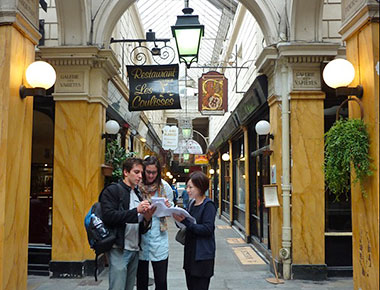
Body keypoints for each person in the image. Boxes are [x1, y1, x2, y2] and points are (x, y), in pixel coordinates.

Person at [100, 157, 156, 290]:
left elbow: (139, 225)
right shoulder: (113, 190)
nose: (140, 176)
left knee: (129, 287)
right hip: (119, 248)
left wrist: (147, 218)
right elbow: (108, 216)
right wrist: (136, 210)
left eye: (141, 173)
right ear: (126, 172)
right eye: (136, 172)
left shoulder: (137, 193)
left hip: (134, 249)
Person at [173, 171, 217, 290]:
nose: (187, 190)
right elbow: (187, 224)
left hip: (202, 256)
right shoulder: (192, 204)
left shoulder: (208, 205)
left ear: (200, 187)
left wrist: (186, 222)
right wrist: (178, 218)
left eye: (190, 187)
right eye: (187, 187)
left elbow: (207, 229)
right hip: (191, 254)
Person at [137, 156, 173, 290]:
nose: (151, 175)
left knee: (161, 280)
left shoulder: (165, 187)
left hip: (159, 238)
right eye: (148, 172)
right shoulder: (138, 186)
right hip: (140, 237)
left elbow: (172, 210)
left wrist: (168, 206)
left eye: (154, 172)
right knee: (141, 280)